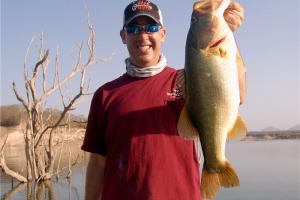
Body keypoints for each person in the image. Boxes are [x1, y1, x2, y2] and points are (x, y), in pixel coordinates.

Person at [81, 1, 245, 199]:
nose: (143, 36)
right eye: (133, 28)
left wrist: (228, 34)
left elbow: (237, 95)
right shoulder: (105, 95)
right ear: (123, 36)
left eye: (151, 28)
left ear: (163, 34)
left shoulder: (184, 82)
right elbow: (98, 162)